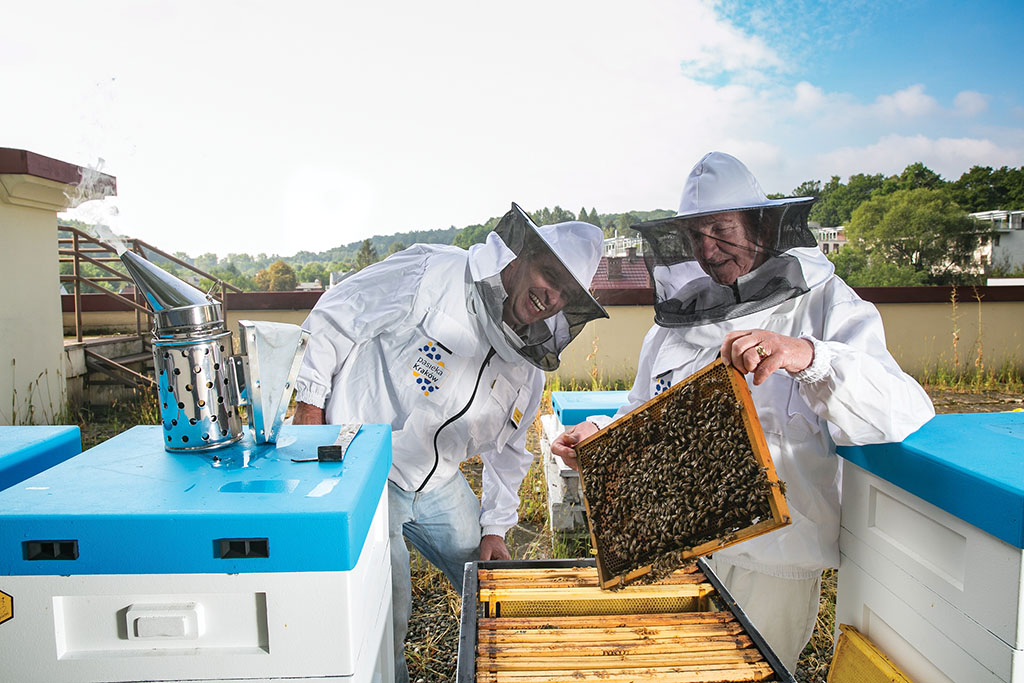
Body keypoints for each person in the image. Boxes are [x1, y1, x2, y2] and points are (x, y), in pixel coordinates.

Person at [551, 152, 934, 671]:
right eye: (694, 234)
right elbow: (640, 413)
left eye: (720, 228)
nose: (707, 249)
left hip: (779, 562)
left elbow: (902, 408)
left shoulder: (821, 304)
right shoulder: (671, 326)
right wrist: (595, 437)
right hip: (681, 557)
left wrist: (807, 356)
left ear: (758, 224)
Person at [293, 203, 607, 682]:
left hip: (437, 480)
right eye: (548, 274)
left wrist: (496, 529)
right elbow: (334, 318)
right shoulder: (431, 272)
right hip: (364, 469)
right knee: (387, 605)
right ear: (520, 256)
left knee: (486, 578)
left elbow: (509, 453)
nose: (550, 295)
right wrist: (310, 423)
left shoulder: (527, 369)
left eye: (564, 292)